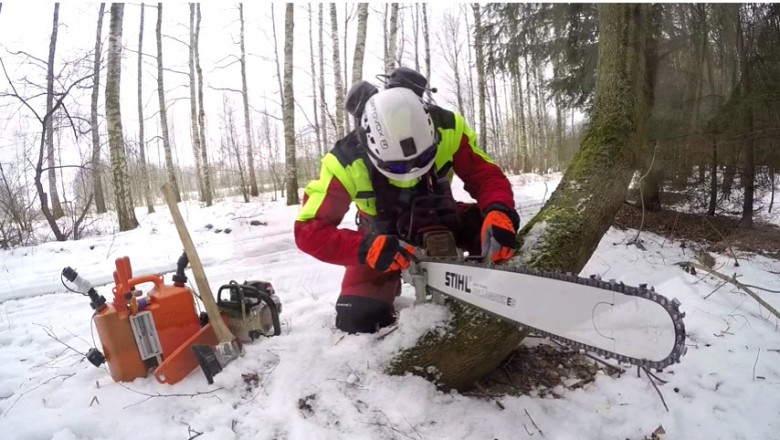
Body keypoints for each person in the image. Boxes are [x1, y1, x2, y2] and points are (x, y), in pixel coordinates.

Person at [294, 68, 519, 334]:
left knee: (500, 234)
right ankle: (384, 280)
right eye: (400, 168)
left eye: (421, 162)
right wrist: (367, 248)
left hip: (445, 216)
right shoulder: (343, 163)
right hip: (381, 237)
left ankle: (503, 282)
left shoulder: (449, 127)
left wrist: (499, 210)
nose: (412, 171)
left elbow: (485, 175)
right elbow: (309, 231)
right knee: (357, 318)